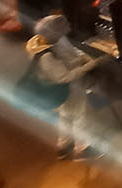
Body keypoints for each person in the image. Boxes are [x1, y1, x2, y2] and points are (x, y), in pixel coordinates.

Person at [24, 14, 98, 158]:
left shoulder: (50, 39)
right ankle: (83, 149)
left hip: (70, 85)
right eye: (61, 32)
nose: (63, 35)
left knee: (65, 116)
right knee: (80, 116)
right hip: (67, 88)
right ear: (52, 33)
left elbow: (70, 49)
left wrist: (82, 56)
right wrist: (87, 67)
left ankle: (63, 146)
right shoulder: (45, 56)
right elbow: (63, 77)